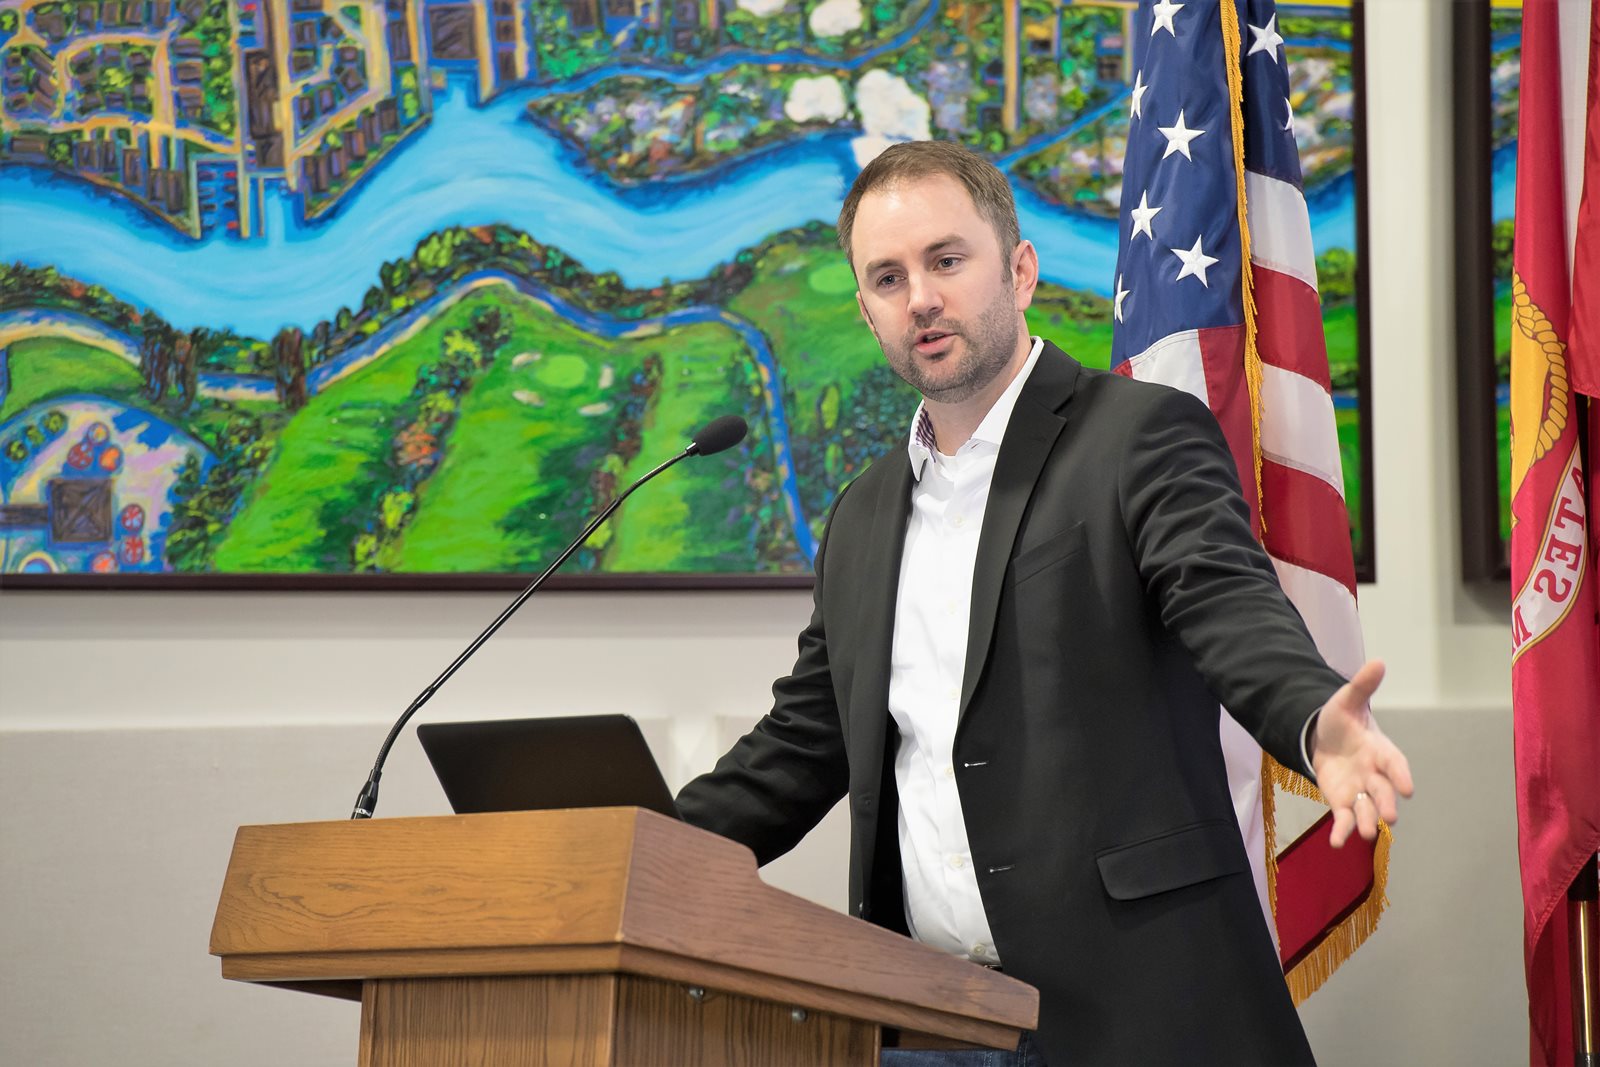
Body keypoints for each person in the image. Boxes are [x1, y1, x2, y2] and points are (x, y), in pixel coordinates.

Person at [674, 140, 1413, 1067]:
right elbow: (803, 742)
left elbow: (1226, 602)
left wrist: (1312, 718)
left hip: (1135, 1014)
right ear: (868, 311)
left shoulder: (1139, 436)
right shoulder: (863, 514)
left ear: (1019, 270)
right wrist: (632, 851)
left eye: (947, 260)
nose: (923, 298)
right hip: (926, 1022)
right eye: (889, 277)